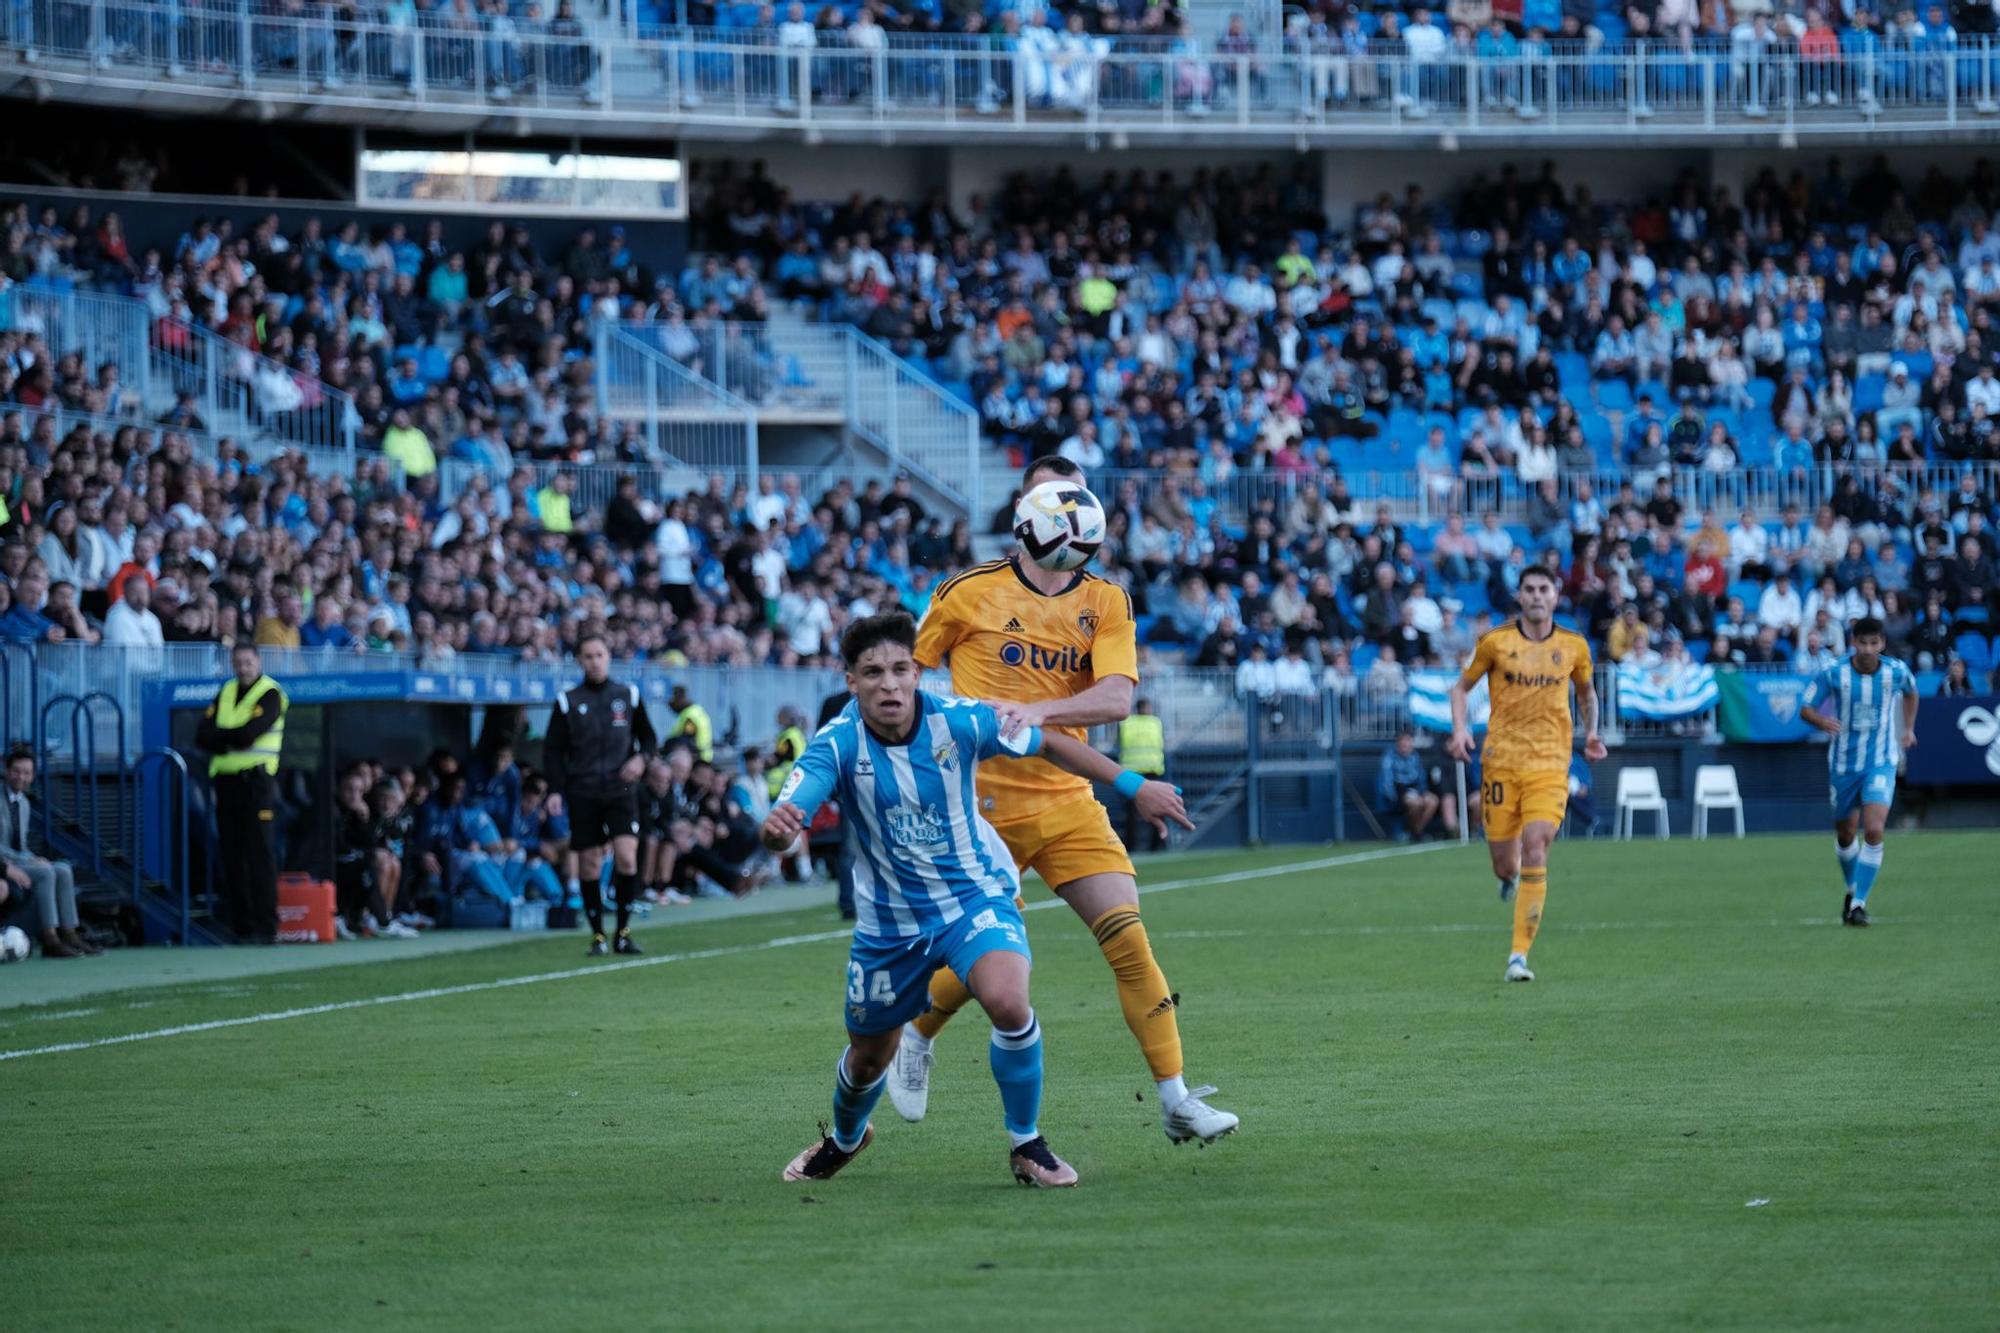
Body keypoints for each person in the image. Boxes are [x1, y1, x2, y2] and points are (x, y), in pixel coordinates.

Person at [761, 612, 1193, 1186]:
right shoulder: (835, 745)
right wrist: (778, 831)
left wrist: (1135, 785)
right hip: (890, 924)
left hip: (973, 896)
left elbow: (1050, 745)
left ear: (916, 673)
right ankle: (845, 1138)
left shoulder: (961, 720)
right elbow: (788, 819)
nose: (888, 684)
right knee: (868, 1057)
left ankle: (1026, 1143)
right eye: (872, 673)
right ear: (852, 682)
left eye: (898, 670)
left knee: (1009, 1001)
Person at [888, 457, 1240, 1147]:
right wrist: (938, 727)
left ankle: (1174, 1098)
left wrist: (1030, 709)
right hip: (979, 804)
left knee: (1128, 939)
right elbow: (907, 670)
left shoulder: (1106, 599)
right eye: (1040, 496)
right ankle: (915, 1032)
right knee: (986, 960)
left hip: (1068, 795)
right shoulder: (966, 591)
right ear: (1028, 513)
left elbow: (1115, 696)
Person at [1448, 566, 1606, 982]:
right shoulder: (1495, 643)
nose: (1537, 596)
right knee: (1505, 863)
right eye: (1530, 589)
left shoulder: (1574, 646)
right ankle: (1508, 877)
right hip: (1500, 762)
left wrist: (1591, 734)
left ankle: (1518, 956)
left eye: (1545, 589)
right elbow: (1460, 690)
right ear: (1519, 596)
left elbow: (1587, 694)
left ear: (1556, 595)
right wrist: (1461, 728)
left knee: (1537, 846)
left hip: (1551, 764)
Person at [541, 633, 658, 956]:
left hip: (621, 790)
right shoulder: (568, 700)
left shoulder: (628, 695)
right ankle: (597, 936)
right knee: (590, 864)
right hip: (584, 790)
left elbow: (648, 738)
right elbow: (553, 752)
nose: (595, 661)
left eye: (600, 655)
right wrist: (554, 790)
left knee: (626, 857)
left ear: (609, 657)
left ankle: (623, 931)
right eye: (588, 656)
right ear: (580, 661)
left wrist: (640, 759)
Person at [1798, 618, 1918, 928]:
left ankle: (1860, 903)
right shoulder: (1835, 672)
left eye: (1873, 643)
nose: (1868, 649)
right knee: (1846, 832)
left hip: (1880, 761)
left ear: (1882, 644)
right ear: (1854, 642)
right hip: (1843, 765)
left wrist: (1909, 729)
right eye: (1862, 643)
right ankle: (1852, 891)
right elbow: (1806, 706)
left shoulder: (1896, 671)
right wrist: (1821, 722)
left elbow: (1912, 693)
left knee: (1874, 828)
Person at [196, 643, 287, 945]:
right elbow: (202, 735)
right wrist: (231, 740)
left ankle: (266, 925)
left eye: (248, 662)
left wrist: (224, 739)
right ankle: (242, 926)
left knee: (260, 853)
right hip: (226, 782)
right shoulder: (226, 691)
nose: (243, 668)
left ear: (258, 661)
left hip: (256, 784)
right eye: (238, 663)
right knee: (232, 855)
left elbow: (251, 734)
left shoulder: (271, 693)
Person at [0, 747, 99, 958]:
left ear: (33, 776)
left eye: (27, 773)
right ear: (7, 771)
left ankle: (71, 933)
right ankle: (50, 939)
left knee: (62, 869)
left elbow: (21, 845)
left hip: (19, 860)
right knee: (46, 872)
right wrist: (26, 859)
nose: (21, 777)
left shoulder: (24, 803)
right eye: (17, 771)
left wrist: (32, 857)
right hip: (5, 863)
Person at [1117, 697, 1168, 853]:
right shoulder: (1156, 722)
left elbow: (1118, 743)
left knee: (1131, 812)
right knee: (1156, 809)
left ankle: (1131, 845)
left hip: (1131, 772)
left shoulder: (1126, 723)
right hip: (1152, 770)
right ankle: (1157, 844)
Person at [1377, 728, 1441, 841]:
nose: (1406, 747)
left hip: (1416, 790)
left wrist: (1423, 792)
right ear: (1398, 744)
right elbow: (1387, 781)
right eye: (1403, 745)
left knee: (1432, 801)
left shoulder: (1415, 757)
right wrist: (1393, 797)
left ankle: (1416, 831)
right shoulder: (1389, 757)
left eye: (1408, 744)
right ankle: (1415, 833)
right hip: (1399, 792)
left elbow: (1421, 777)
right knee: (1415, 803)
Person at [668, 683, 714, 763]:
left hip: (696, 760)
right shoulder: (696, 710)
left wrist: (668, 744)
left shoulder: (690, 717)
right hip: (703, 758)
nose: (671, 706)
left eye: (673, 702)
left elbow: (687, 740)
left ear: (680, 699)